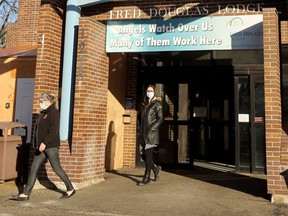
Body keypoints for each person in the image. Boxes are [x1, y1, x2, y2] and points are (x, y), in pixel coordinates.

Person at [11, 93, 75, 201]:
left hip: (50, 146)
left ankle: (70, 189)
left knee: (56, 168)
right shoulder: (43, 113)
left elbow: (53, 131)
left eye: (41, 101)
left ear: (48, 101)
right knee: (34, 168)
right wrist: (37, 144)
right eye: (40, 101)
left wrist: (44, 143)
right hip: (40, 147)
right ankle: (25, 194)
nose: (40, 103)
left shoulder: (54, 113)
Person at [137, 84, 163, 186]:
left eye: (151, 91)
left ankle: (147, 177)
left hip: (151, 134)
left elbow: (160, 119)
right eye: (148, 90)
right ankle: (155, 168)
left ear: (154, 92)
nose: (149, 92)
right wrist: (139, 127)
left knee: (148, 154)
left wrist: (152, 128)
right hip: (143, 134)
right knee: (143, 155)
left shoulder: (157, 104)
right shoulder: (143, 104)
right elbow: (140, 118)